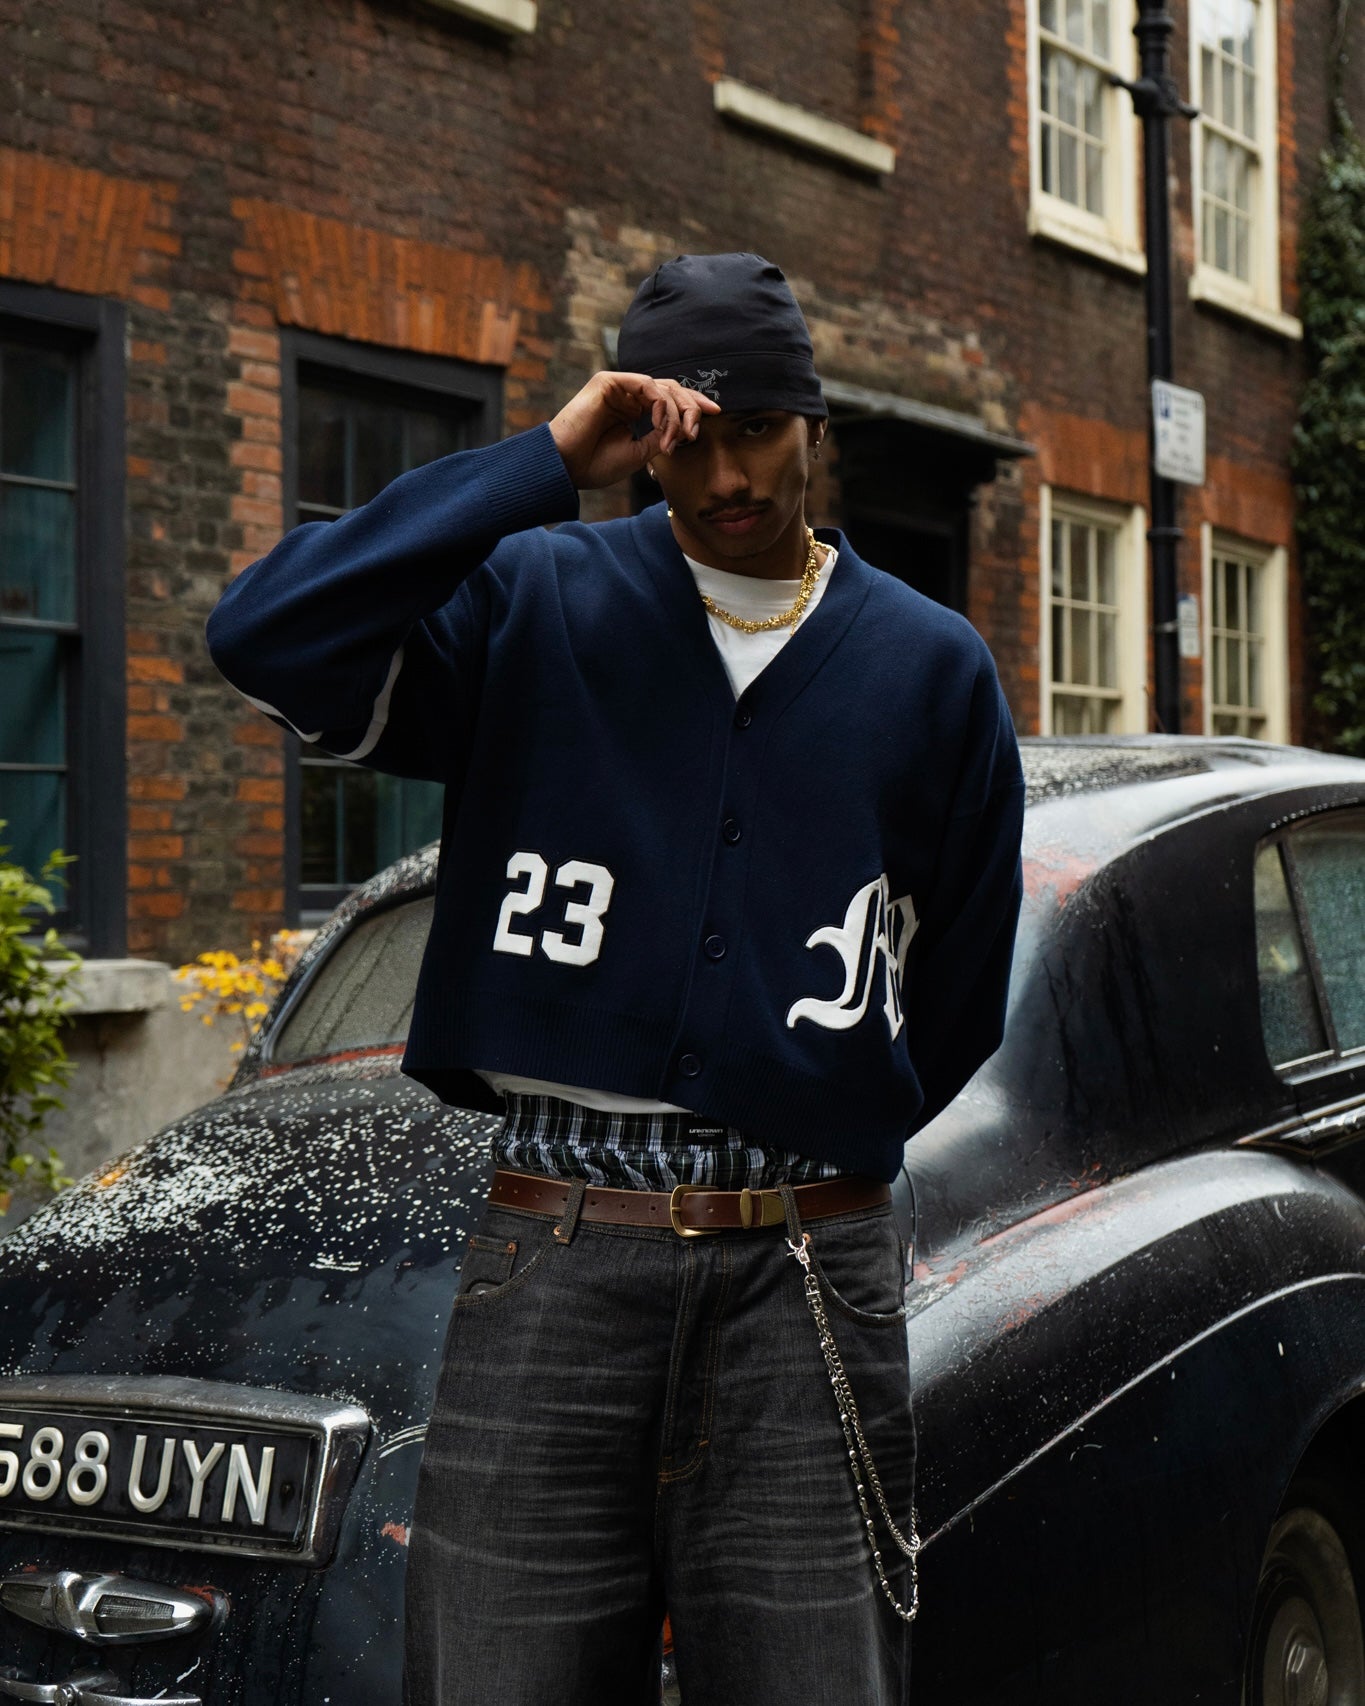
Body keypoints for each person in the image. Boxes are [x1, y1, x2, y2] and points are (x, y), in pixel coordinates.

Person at [205, 252, 1025, 1706]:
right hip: (557, 1252)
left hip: (805, 1273)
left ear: (814, 423)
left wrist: (814, 1119)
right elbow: (267, 634)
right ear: (640, 427)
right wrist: (545, 459)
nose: (720, 469)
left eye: (755, 424)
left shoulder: (930, 667)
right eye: (683, 429)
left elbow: (952, 994)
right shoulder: (534, 598)